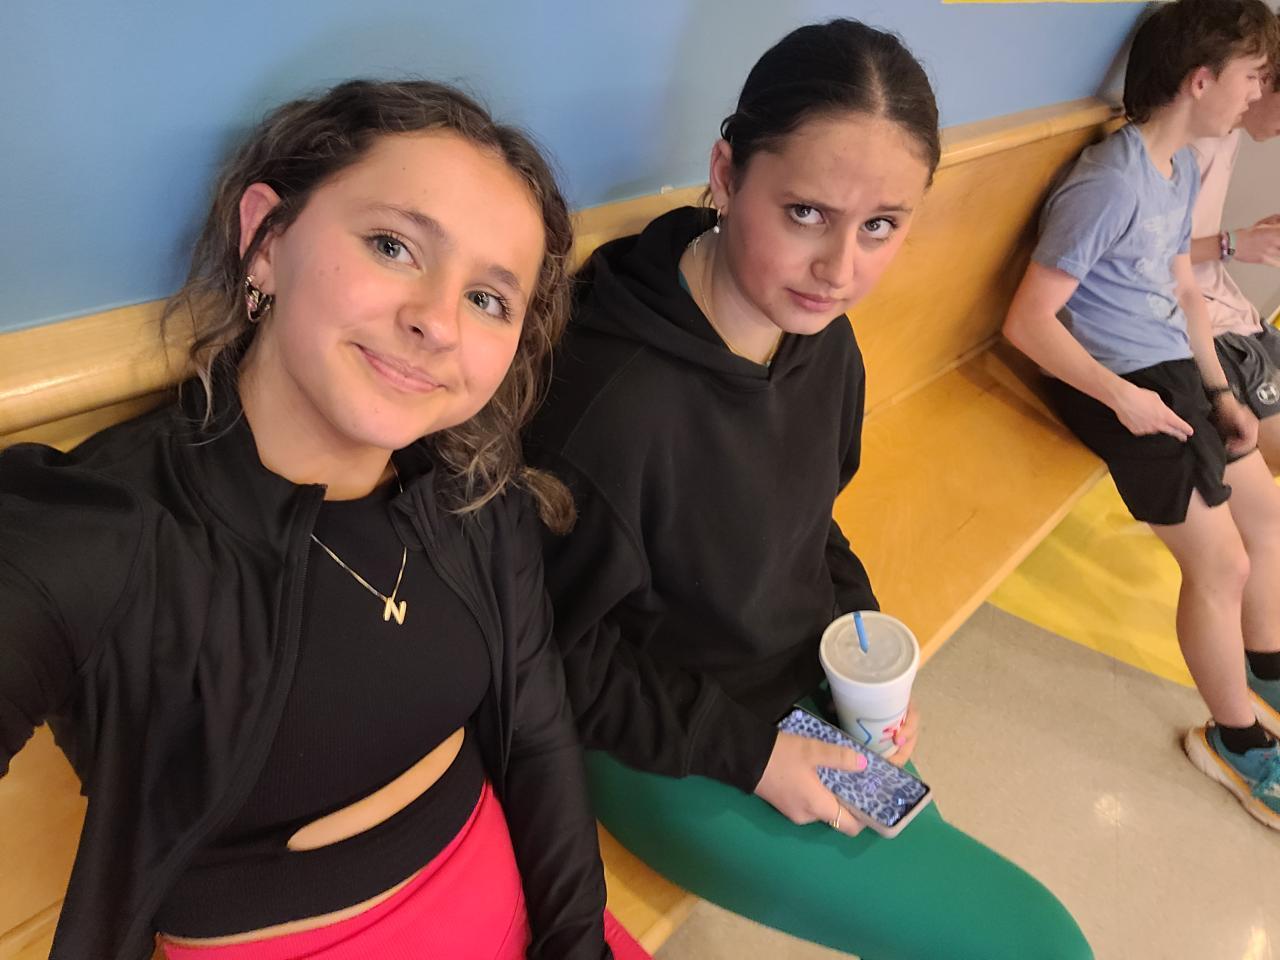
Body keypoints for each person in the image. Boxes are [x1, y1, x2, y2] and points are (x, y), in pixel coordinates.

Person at [0, 79, 647, 960]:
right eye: (393, 246)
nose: (437, 323)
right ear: (266, 241)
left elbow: (536, 737)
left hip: (532, 916)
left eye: (488, 300)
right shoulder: (105, 533)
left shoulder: (473, 494)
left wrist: (578, 948)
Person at [528, 19, 1093, 960]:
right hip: (660, 742)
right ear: (725, 174)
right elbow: (548, 657)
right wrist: (756, 756)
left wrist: (863, 648)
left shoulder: (824, 342)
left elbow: (809, 525)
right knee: (1037, 945)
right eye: (805, 213)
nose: (840, 269)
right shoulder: (611, 407)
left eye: (880, 227)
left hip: (799, 689)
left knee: (956, 903)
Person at [1002, 0, 1280, 830]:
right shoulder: (1109, 181)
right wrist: (1124, 398)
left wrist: (1221, 395)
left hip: (1173, 373)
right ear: (1200, 81)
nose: (1257, 94)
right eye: (1252, 78)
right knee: (1222, 565)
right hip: (1114, 381)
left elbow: (1184, 291)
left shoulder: (1180, 168)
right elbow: (1028, 323)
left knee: (1264, 517)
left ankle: (1264, 673)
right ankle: (1236, 742)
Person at [1188, 53, 1280, 474]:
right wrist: (1232, 243)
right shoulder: (1189, 142)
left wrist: (1248, 237)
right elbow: (1143, 255)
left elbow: (1189, 238)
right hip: (1208, 327)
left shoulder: (1227, 136)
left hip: (1236, 315)